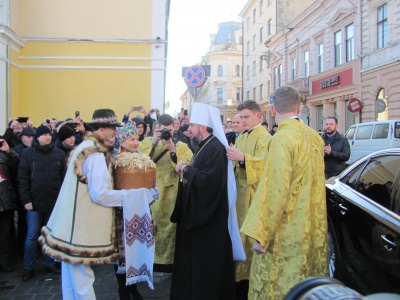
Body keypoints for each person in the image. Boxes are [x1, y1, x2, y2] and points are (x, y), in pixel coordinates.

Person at [39, 109, 157, 299]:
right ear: (102, 129)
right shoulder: (95, 153)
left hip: (69, 223)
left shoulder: (84, 146)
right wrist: (134, 197)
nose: (115, 133)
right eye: (113, 129)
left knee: (71, 279)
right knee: (83, 279)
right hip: (79, 227)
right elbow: (100, 194)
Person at [241, 86, 328, 299]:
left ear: (272, 110)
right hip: (312, 228)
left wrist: (262, 234)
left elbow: (275, 189)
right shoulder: (315, 137)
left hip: (286, 233)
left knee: (279, 287)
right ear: (299, 106)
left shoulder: (281, 139)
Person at [172, 103, 245, 299]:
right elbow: (201, 174)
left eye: (193, 125)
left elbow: (209, 182)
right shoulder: (205, 145)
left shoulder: (215, 148)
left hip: (209, 218)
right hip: (202, 216)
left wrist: (187, 170)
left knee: (207, 266)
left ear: (203, 127)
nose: (190, 129)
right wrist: (187, 167)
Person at [139, 114, 192, 297]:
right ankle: (149, 260)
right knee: (149, 225)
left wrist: (172, 148)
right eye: (163, 130)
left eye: (169, 131)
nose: (166, 133)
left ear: (174, 129)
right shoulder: (147, 142)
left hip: (170, 191)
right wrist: (153, 142)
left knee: (169, 226)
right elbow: (138, 161)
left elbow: (187, 163)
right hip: (150, 188)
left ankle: (168, 261)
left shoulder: (181, 145)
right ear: (156, 128)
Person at [226, 100, 271, 299]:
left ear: (258, 116)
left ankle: (248, 283)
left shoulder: (264, 137)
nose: (242, 121)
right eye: (241, 117)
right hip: (239, 195)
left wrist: (243, 158)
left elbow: (267, 166)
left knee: (248, 239)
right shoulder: (242, 136)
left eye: (246, 117)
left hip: (253, 197)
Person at [18, 125, 66, 281]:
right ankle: (28, 266)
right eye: (44, 135)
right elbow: (23, 179)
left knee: (49, 236)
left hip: (53, 202)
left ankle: (49, 263)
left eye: (49, 134)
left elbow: (64, 179)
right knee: (32, 236)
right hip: (34, 203)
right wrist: (26, 200)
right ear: (37, 137)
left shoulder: (58, 153)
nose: (48, 137)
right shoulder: (27, 154)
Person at [0, 137, 19, 273]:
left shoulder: (4, 156)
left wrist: (8, 152)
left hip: (4, 201)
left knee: (4, 234)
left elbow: (17, 165)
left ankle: (4, 261)